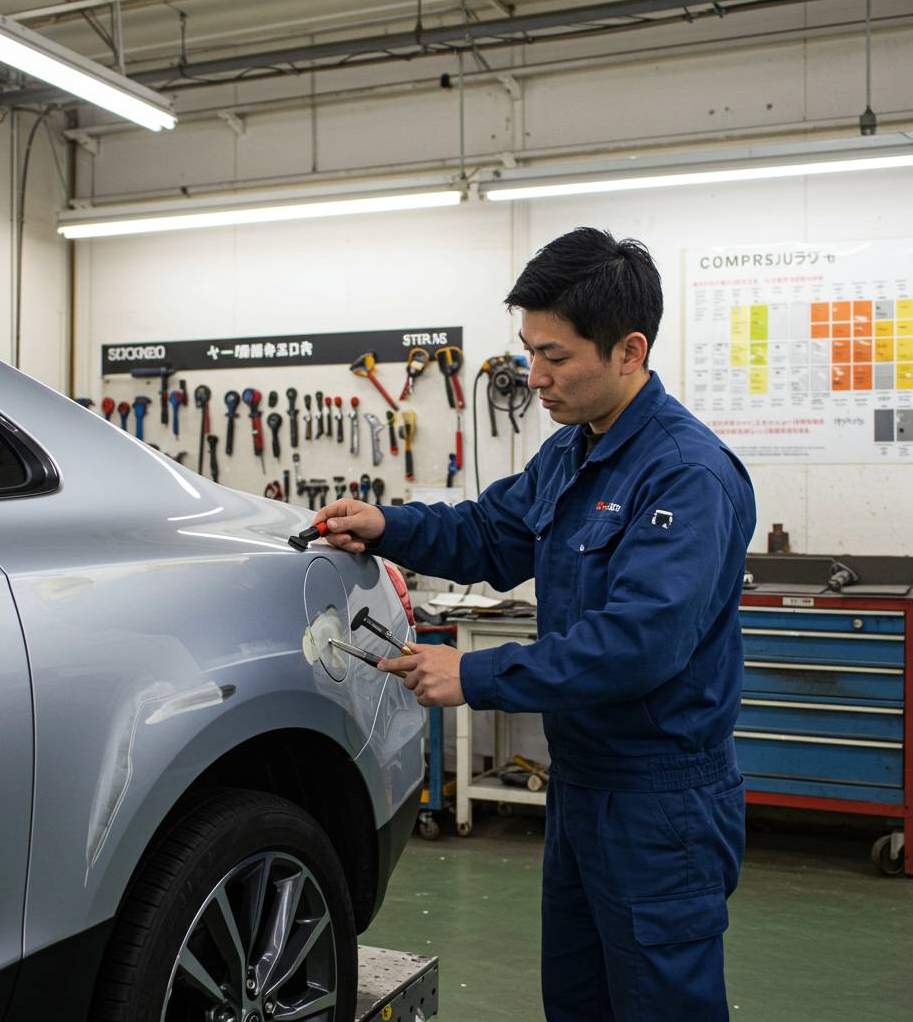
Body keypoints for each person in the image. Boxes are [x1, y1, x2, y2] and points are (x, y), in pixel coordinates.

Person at [311, 227, 756, 1021]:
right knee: (579, 1000)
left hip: (663, 806)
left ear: (629, 349)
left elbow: (639, 644)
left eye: (555, 356)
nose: (534, 376)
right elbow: (488, 532)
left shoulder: (687, 475)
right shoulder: (571, 452)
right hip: (582, 787)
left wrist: (475, 675)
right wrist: (389, 524)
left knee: (662, 1006)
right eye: (527, 350)